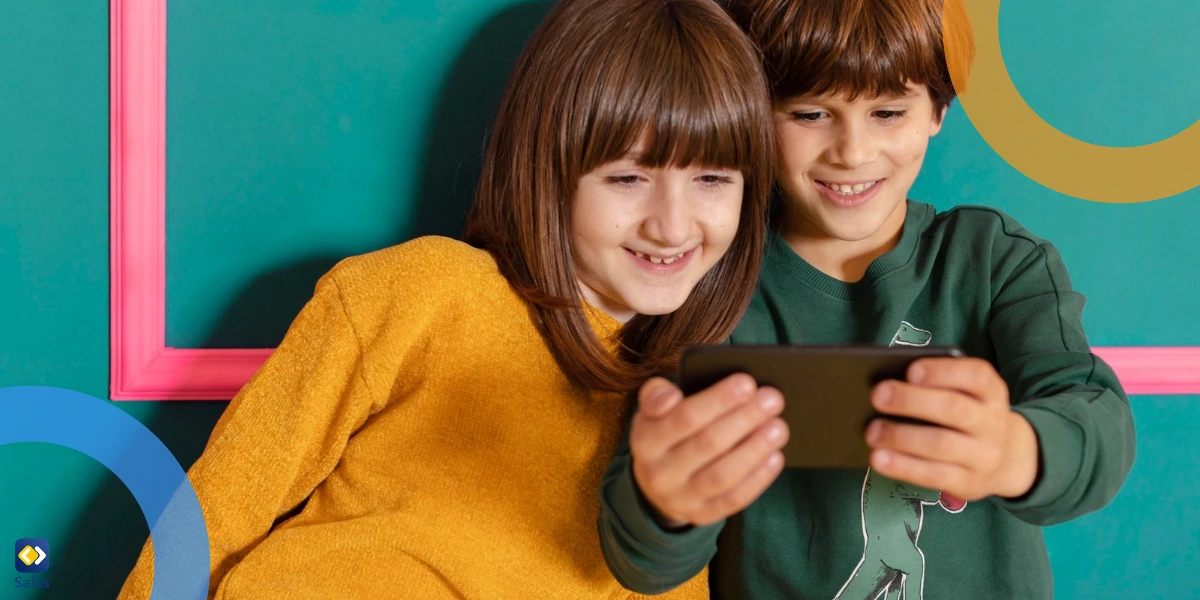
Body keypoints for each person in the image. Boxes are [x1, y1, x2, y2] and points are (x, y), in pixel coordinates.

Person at [117, 0, 775, 597]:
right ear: (550, 174)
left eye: (712, 179)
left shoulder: (692, 400)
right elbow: (222, 503)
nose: (673, 224)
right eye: (629, 178)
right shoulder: (423, 293)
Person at [597, 1, 1137, 598]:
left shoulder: (995, 261)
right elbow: (641, 562)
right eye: (809, 113)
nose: (851, 152)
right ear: (753, 115)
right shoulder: (712, 287)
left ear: (939, 107)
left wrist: (1015, 451)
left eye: (887, 111)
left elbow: (1096, 418)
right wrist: (664, 502)